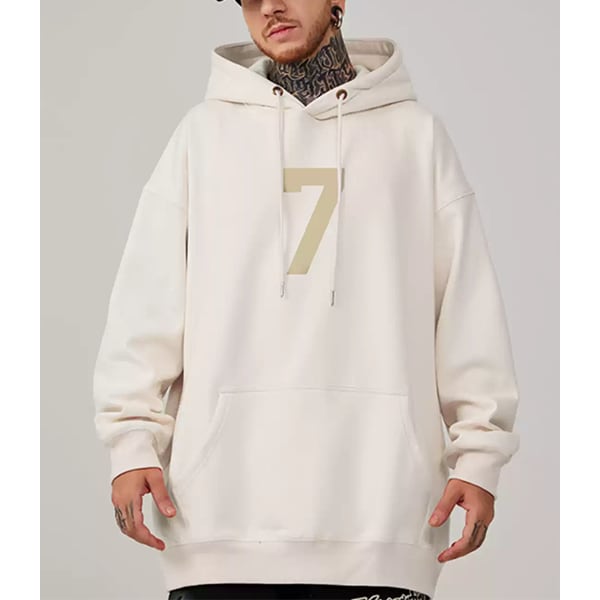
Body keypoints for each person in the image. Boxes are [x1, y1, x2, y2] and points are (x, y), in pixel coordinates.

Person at [93, 1, 521, 599]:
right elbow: (145, 305)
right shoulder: (201, 137)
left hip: (382, 522)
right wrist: (131, 441)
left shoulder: (416, 138)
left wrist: (479, 456)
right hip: (219, 522)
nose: (269, 6)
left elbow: (466, 308)